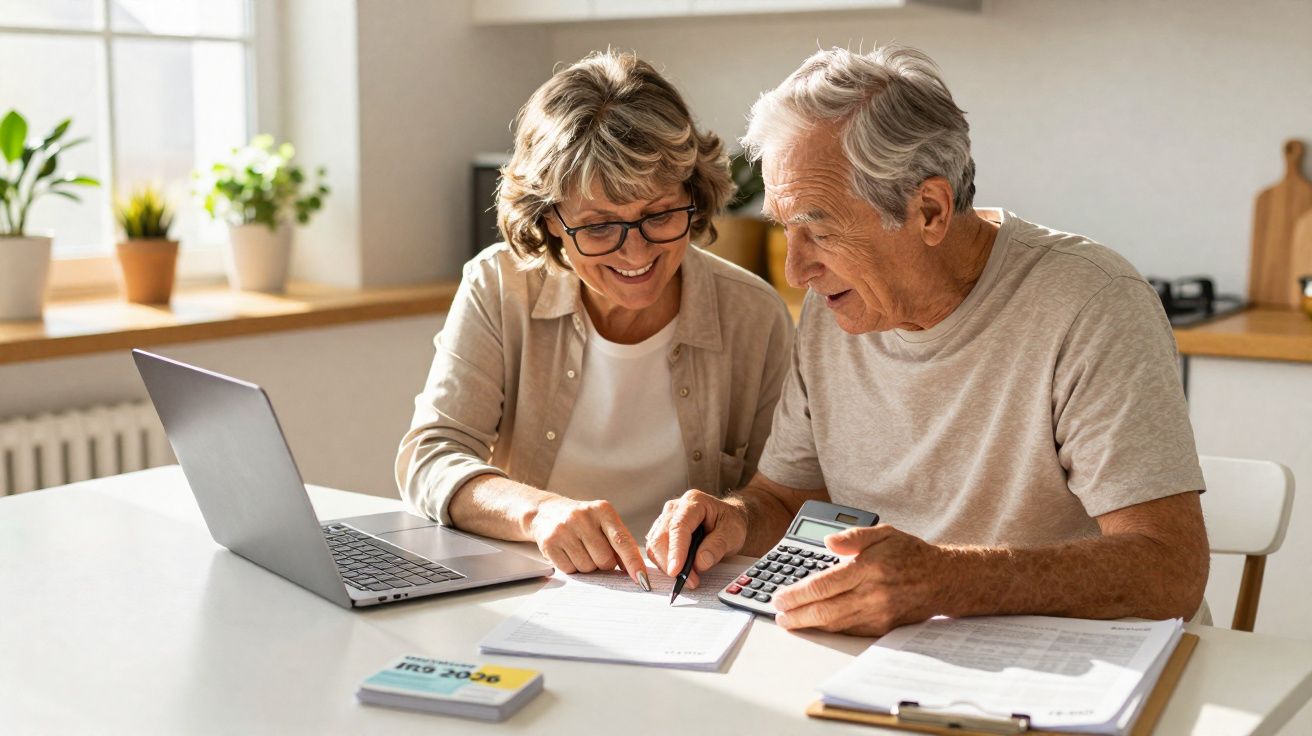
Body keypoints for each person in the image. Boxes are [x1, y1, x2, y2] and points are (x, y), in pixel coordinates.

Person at [646, 44, 1209, 634]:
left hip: (1077, 667)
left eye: (820, 230)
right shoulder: (837, 305)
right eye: (787, 230)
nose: (796, 271)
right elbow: (786, 499)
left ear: (931, 210)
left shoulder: (1091, 303)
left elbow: (1170, 569)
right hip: (896, 655)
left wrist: (947, 580)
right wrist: (733, 516)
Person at [396, 50, 793, 593]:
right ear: (551, 221)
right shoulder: (499, 286)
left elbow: (787, 493)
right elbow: (430, 455)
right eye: (599, 226)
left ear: (693, 197)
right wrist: (537, 512)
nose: (636, 253)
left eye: (658, 215)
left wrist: (737, 514)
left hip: (694, 601)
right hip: (534, 593)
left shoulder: (754, 314)